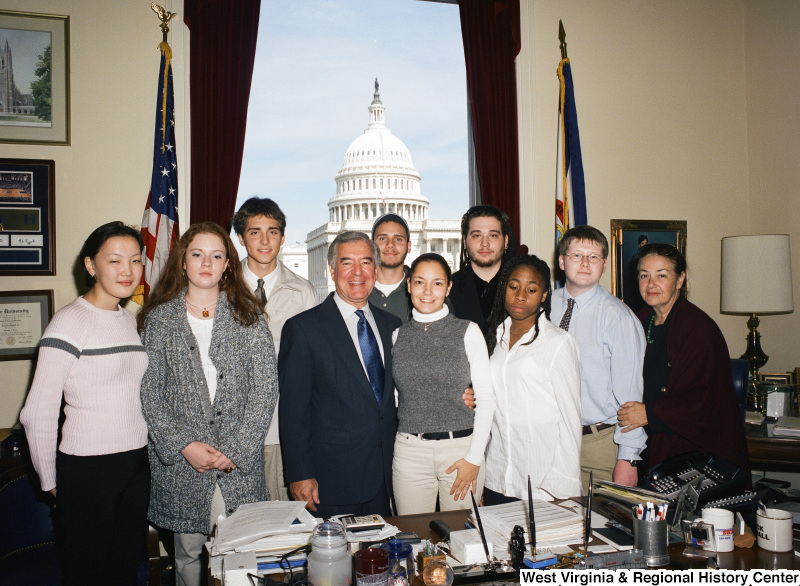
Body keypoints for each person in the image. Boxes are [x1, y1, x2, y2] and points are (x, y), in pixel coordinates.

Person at [138, 221, 277, 586]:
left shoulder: (249, 316)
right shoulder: (158, 320)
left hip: (236, 464)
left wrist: (236, 447)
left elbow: (265, 389)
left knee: (240, 555)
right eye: (197, 254)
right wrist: (184, 444)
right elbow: (149, 392)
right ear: (182, 262)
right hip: (185, 465)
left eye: (216, 256)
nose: (206, 263)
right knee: (188, 556)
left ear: (228, 264)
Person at [19, 221, 149, 585]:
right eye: (115, 260)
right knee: (88, 575)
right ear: (91, 265)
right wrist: (52, 482)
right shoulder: (69, 322)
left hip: (136, 463)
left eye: (135, 260)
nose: (127, 271)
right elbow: (36, 413)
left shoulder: (128, 319)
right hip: (88, 468)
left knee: (124, 571)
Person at [279, 231, 401, 518]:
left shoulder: (393, 325)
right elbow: (293, 410)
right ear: (332, 271)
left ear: (376, 269)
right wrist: (299, 474)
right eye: (347, 263)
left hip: (389, 476)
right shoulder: (303, 329)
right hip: (332, 480)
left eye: (366, 262)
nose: (358, 272)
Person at [617, 244, 750, 474]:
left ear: (680, 280)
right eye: (644, 275)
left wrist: (650, 414)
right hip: (648, 439)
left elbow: (705, 398)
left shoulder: (698, 328)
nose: (651, 284)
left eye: (661, 275)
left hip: (690, 450)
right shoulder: (641, 318)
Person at [391, 253, 496, 514]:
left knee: (463, 538)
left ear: (448, 287)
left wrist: (474, 458)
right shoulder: (397, 335)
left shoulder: (467, 331)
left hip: (461, 450)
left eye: (437, 283)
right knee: (414, 539)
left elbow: (486, 399)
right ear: (408, 285)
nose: (427, 291)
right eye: (419, 282)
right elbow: (396, 397)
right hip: (410, 453)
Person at [231, 197, 318, 502]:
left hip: (282, 430)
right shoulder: (222, 289)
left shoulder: (303, 292)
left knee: (283, 526)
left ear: (282, 236)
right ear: (241, 238)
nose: (265, 240)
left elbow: (313, 367)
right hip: (234, 430)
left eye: (273, 231)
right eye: (255, 232)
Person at [550, 226, 646, 490]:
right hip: (549, 442)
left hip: (597, 444)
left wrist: (629, 458)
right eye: (576, 255)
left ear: (604, 265)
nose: (584, 263)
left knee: (599, 526)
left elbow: (631, 399)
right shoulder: (544, 306)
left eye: (593, 257)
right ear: (561, 261)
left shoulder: (618, 317)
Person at [482, 255, 582, 505]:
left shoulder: (558, 343)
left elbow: (571, 421)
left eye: (532, 289)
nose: (520, 296)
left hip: (542, 482)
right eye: (513, 286)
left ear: (545, 295)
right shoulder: (495, 338)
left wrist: (563, 486)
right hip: (497, 476)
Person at [449, 205, 515, 331]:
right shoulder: (449, 289)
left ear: (506, 241)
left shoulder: (523, 288)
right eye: (476, 235)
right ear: (464, 241)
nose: (485, 243)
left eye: (493, 235)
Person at [369, 213, 412, 323]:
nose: (390, 244)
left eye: (398, 239)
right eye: (383, 238)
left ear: (409, 246)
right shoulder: (357, 290)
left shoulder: (423, 291)